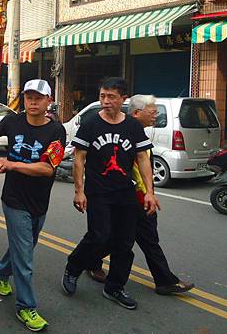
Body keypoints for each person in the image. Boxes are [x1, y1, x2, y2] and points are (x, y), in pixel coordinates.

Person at [0, 79, 66, 332]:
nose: (32, 102)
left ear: (48, 102)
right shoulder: (13, 121)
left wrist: (12, 164)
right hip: (14, 200)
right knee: (25, 258)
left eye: (38, 98)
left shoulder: (56, 131)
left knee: (24, 248)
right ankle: (26, 307)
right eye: (29, 97)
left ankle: (0, 271)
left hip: (39, 201)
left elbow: (47, 168)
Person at [62, 77, 159, 310]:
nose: (105, 101)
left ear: (123, 99)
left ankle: (114, 287)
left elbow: (143, 158)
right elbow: (79, 158)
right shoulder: (91, 124)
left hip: (125, 193)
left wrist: (150, 192)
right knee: (99, 236)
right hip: (98, 193)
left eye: (111, 97)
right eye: (102, 96)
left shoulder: (133, 127)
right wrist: (79, 191)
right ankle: (73, 267)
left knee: (124, 243)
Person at [86, 94, 194, 295]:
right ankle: (88, 262)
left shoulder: (139, 133)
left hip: (139, 198)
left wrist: (150, 193)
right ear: (137, 113)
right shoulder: (127, 133)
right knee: (112, 238)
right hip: (128, 199)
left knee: (143, 239)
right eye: (152, 112)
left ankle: (164, 280)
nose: (155, 116)